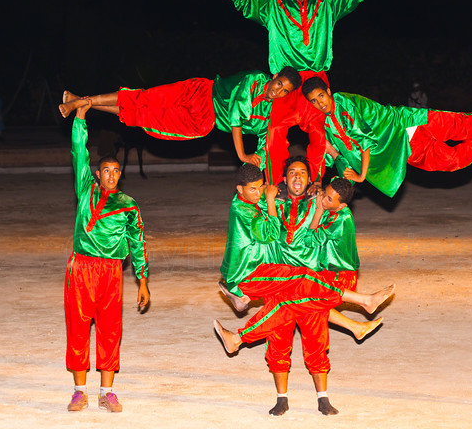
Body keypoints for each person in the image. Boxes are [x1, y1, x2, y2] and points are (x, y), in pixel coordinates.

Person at [182, 0, 415, 184]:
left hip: (315, 83)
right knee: (274, 136)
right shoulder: (274, 6)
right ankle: (275, 187)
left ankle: (314, 185)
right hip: (286, 82)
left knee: (319, 136)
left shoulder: (327, 4)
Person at [215, 163, 392, 416]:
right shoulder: (267, 203)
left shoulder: (319, 204)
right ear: (283, 180)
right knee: (278, 342)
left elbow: (338, 203)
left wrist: (321, 201)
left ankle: (323, 397)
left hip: (311, 285)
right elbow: (250, 197)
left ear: (311, 180)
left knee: (316, 341)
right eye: (291, 172)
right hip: (279, 281)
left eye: (302, 172)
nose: (297, 176)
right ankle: (281, 397)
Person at [301, 77, 472, 197]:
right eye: (314, 101)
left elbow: (365, 142)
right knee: (452, 161)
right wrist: (325, 168)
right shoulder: (325, 127)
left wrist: (361, 175)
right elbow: (340, 161)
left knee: (462, 125)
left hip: (410, 122)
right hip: (404, 149)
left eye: (321, 96)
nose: (320, 103)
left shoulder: (346, 103)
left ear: (329, 91)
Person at [59, 67, 301, 181]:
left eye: (284, 92)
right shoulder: (254, 79)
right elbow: (237, 118)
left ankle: (81, 103)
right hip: (200, 93)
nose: (277, 91)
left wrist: (258, 160)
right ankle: (82, 101)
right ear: (275, 76)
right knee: (144, 98)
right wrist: (243, 155)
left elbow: (265, 139)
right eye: (279, 84)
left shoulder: (270, 113)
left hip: (204, 121)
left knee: (144, 117)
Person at [64, 100, 150, 413]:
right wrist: (81, 117)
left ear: (120, 175)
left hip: (112, 272)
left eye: (116, 171)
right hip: (82, 269)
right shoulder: (85, 187)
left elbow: (138, 242)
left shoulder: (128, 204)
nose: (111, 175)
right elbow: (78, 151)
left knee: (110, 329)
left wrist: (143, 281)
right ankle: (78, 390)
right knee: (77, 327)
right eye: (107, 171)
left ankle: (107, 391)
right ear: (98, 174)